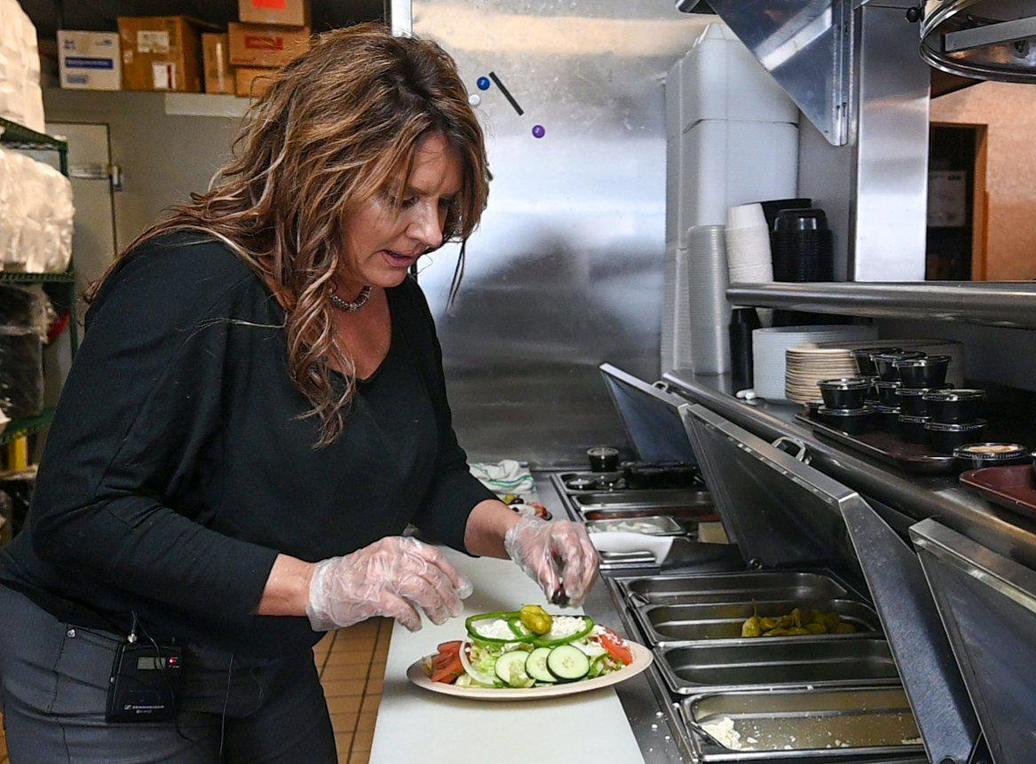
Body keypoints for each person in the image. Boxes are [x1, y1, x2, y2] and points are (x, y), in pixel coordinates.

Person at [0, 24, 599, 762]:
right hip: (108, 666)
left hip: (261, 656)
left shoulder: (391, 295)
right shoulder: (189, 283)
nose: (430, 231)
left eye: (445, 203)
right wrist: (319, 586)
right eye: (401, 198)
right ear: (320, 170)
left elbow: (432, 475)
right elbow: (82, 512)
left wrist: (514, 532)